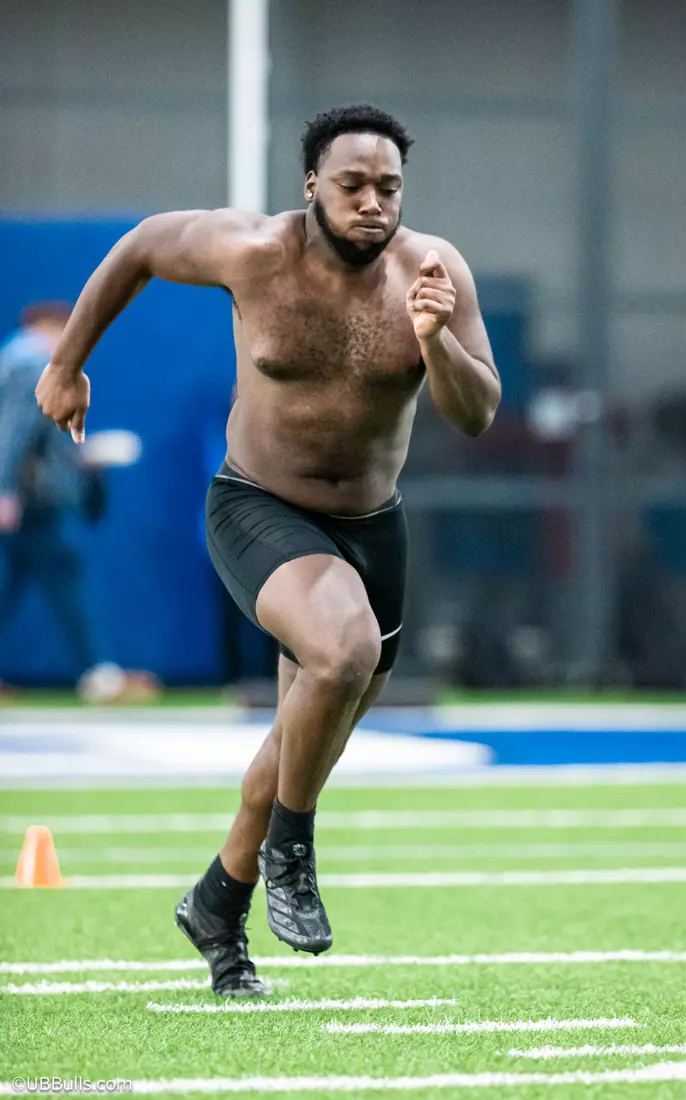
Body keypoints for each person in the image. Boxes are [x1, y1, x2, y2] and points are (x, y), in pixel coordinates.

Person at [34, 105, 502, 995]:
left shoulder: (433, 272)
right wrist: (66, 364)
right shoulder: (250, 252)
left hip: (372, 526)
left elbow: (476, 413)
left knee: (301, 736)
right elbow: (138, 247)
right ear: (312, 186)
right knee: (344, 649)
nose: (373, 203)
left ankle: (219, 901)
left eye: (389, 188)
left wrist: (438, 340)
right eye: (354, 185)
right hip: (259, 506)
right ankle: (293, 851)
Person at [0, 301, 126, 700]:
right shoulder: (29, 367)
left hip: (30, 499)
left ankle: (99, 671)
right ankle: (99, 673)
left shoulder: (13, 365)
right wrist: (5, 491)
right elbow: (13, 435)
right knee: (69, 586)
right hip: (37, 502)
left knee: (13, 587)